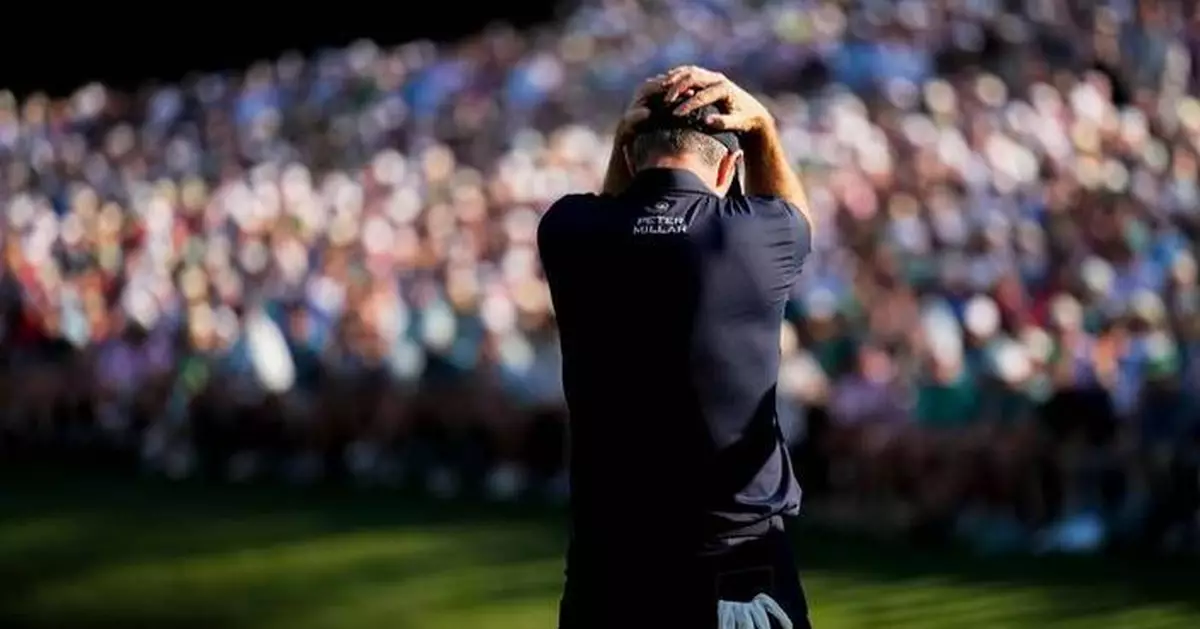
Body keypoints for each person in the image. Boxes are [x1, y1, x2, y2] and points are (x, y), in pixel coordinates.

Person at [537, 66, 815, 629]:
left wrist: (626, 143)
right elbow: (797, 221)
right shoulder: (758, 235)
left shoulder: (567, 229)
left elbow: (611, 211)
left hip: (606, 569)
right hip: (736, 568)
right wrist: (763, 126)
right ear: (731, 166)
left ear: (631, 156)